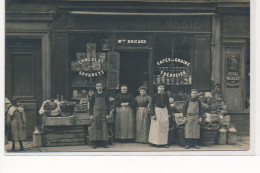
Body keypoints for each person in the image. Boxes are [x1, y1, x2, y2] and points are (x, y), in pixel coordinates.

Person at [89, 83, 111, 149]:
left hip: (103, 113)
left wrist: (108, 114)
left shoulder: (105, 95)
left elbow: (108, 105)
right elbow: (91, 106)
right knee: (95, 127)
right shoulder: (94, 95)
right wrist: (91, 114)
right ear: (96, 87)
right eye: (98, 86)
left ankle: (104, 143)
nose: (99, 87)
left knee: (103, 127)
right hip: (95, 113)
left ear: (102, 87)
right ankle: (95, 143)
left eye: (100, 86)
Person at [148, 84, 170, 148]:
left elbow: (168, 104)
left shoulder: (166, 95)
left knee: (164, 127)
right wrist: (152, 114)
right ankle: (157, 143)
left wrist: (169, 113)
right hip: (157, 111)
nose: (161, 88)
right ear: (157, 88)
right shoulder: (154, 95)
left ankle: (164, 143)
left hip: (164, 111)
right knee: (157, 128)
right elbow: (151, 105)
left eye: (162, 87)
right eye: (160, 87)